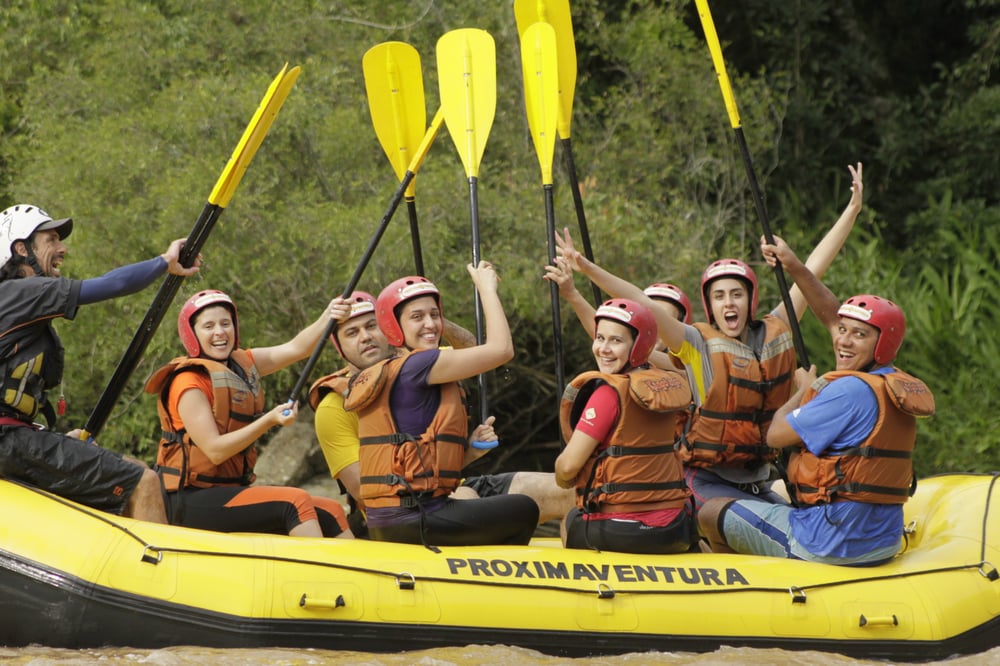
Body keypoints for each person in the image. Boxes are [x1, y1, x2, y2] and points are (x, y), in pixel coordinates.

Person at [554, 163, 865, 511]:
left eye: (737, 294)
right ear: (709, 305)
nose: (728, 303)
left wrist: (851, 211)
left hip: (759, 478)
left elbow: (813, 269)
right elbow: (640, 302)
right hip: (706, 481)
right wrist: (585, 267)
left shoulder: (776, 327)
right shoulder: (695, 344)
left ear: (751, 301)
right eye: (719, 296)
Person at [698, 239, 935, 565]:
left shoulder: (844, 391)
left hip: (831, 541)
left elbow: (775, 435)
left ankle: (753, 591)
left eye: (859, 335)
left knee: (711, 512)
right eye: (842, 330)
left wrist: (806, 389)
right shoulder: (893, 385)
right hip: (883, 541)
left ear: (882, 342)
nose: (843, 340)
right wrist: (793, 265)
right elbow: (829, 312)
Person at [308, 291, 573, 535]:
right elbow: (365, 492)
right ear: (339, 348)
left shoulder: (417, 366)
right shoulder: (333, 408)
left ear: (388, 326)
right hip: (406, 509)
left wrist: (430, 320)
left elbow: (475, 352)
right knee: (480, 499)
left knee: (572, 493)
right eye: (352, 332)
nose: (365, 337)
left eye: (372, 325)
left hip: (453, 487)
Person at [0, 203, 200, 523]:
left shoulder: (16, 300)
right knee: (144, 483)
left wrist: (51, 436)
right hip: (9, 443)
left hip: (17, 438)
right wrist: (164, 262)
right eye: (51, 240)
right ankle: (164, 570)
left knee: (137, 469)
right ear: (21, 249)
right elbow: (113, 284)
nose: (62, 248)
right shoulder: (22, 292)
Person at [343, 266, 540, 546]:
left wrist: (469, 450)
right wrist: (486, 289)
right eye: (417, 317)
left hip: (391, 518)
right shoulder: (418, 366)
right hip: (418, 517)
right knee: (523, 507)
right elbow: (501, 350)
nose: (431, 324)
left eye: (435, 315)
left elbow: (419, 466)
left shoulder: (396, 369)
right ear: (394, 328)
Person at [144, 289, 351, 538]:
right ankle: (309, 576)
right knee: (295, 502)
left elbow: (297, 348)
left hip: (231, 490)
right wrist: (269, 420)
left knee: (331, 510)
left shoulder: (243, 363)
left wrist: (329, 315)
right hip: (189, 499)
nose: (220, 332)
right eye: (208, 326)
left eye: (225, 323)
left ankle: (358, 576)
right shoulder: (188, 382)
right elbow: (215, 450)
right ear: (193, 335)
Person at [555, 298, 695, 554]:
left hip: (624, 530)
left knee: (571, 518)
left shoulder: (609, 393)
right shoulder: (665, 387)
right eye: (600, 339)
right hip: (676, 526)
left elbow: (568, 466)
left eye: (616, 341)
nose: (603, 349)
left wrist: (563, 477)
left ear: (638, 345)